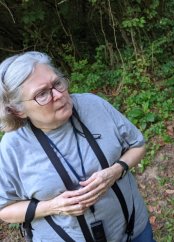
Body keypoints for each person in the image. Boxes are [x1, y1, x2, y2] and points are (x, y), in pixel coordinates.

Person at [0, 51, 156, 242]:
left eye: (57, 83)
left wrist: (115, 171)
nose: (58, 95)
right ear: (17, 110)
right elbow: (5, 209)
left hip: (135, 231)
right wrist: (54, 206)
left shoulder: (93, 105)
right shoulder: (12, 147)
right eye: (42, 94)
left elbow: (137, 145)